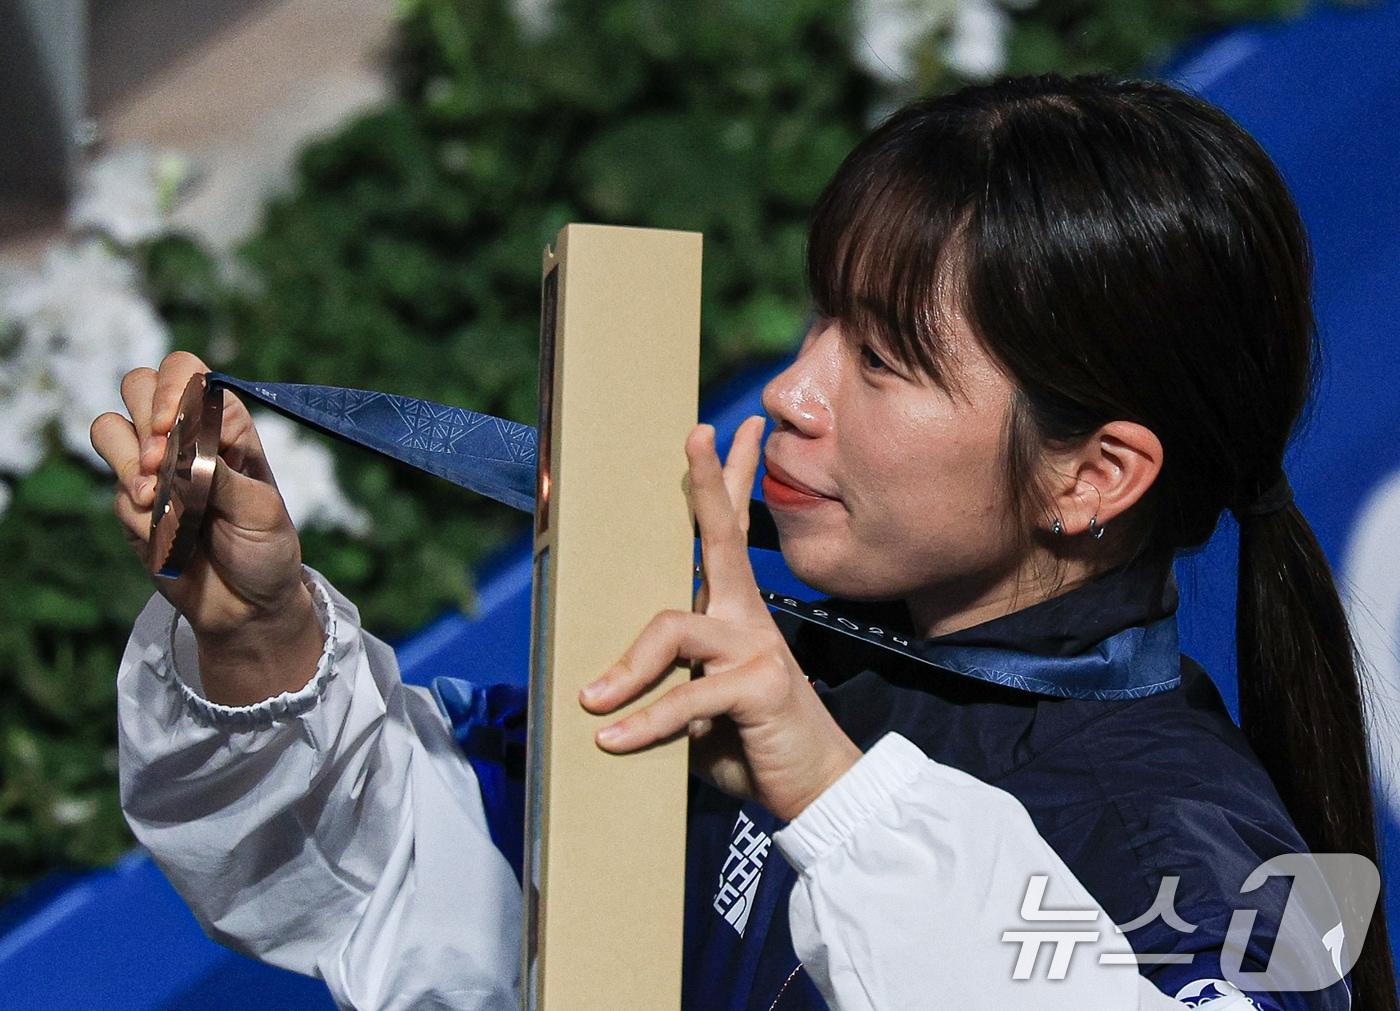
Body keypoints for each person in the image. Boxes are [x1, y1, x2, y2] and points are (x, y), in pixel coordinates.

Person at [91, 73, 1395, 1010]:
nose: (792, 390)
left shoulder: (1194, 859)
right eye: (824, 318)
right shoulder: (781, 668)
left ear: (1093, 475)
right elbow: (426, 900)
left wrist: (833, 796)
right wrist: (258, 634)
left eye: (883, 360)